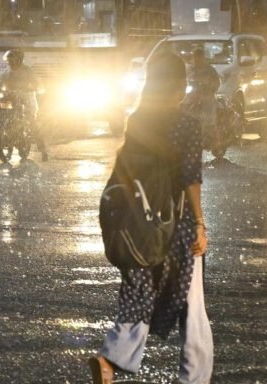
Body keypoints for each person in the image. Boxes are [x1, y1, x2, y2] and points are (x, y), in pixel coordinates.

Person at [89, 52, 213, 384]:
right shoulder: (186, 124)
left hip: (139, 225)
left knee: (137, 293)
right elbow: (190, 178)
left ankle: (111, 359)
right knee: (191, 305)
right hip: (177, 226)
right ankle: (195, 378)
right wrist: (200, 224)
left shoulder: (139, 119)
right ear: (180, 86)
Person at [0, 49, 48, 161]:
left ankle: (43, 149)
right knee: (1, 114)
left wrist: (35, 88)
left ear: (19, 60)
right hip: (10, 99)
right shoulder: (7, 72)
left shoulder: (28, 71)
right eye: (9, 61)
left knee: (32, 122)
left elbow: (38, 84)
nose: (10, 63)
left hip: (26, 100)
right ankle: (5, 135)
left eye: (12, 60)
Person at [183, 48, 221, 144]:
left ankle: (215, 141)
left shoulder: (209, 69)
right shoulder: (189, 68)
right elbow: (184, 79)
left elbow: (216, 82)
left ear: (202, 57)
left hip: (206, 95)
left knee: (209, 118)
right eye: (195, 57)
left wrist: (210, 87)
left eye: (199, 57)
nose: (197, 59)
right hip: (192, 95)